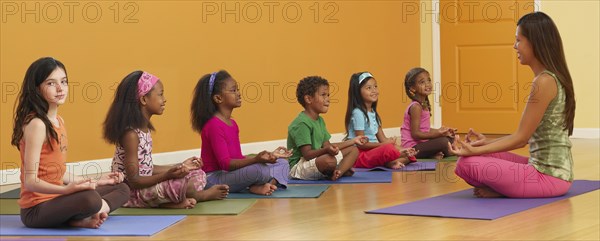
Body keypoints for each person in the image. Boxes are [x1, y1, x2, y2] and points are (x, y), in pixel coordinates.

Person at [449, 12, 575, 198]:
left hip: (549, 177)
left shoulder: (544, 82)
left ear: (535, 42)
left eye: (518, 40)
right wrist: (487, 143)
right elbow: (522, 135)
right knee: (475, 158)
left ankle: (504, 190)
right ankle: (504, 189)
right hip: (541, 169)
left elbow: (520, 139)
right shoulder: (549, 78)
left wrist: (475, 149)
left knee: (467, 164)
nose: (514, 46)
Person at [12, 57, 129, 228]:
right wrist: (66, 190)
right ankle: (86, 215)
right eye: (51, 83)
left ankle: (81, 218)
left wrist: (95, 181)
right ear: (36, 89)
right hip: (36, 210)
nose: (60, 88)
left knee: (121, 189)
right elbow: (30, 180)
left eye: (64, 82)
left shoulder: (59, 121)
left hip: (58, 200)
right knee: (91, 199)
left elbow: (59, 173)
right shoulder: (37, 124)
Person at [104, 71, 228, 208]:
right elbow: (134, 181)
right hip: (133, 193)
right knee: (182, 184)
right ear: (144, 99)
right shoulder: (131, 135)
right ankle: (199, 196)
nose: (164, 99)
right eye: (160, 94)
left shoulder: (143, 130)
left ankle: (170, 201)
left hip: (145, 185)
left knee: (197, 174)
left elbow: (147, 168)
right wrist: (167, 176)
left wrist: (180, 166)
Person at [191, 70, 291, 196]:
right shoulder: (213, 125)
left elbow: (238, 158)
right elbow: (226, 164)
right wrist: (256, 159)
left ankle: (264, 185)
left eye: (237, 89)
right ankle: (257, 185)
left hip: (230, 174)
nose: (239, 94)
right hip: (214, 178)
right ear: (218, 98)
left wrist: (270, 156)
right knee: (259, 169)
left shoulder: (233, 124)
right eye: (233, 90)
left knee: (282, 163)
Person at [288, 75, 363, 181]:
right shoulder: (301, 123)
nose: (328, 99)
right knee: (329, 161)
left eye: (328, 95)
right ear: (308, 99)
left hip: (316, 160)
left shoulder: (320, 121)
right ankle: (334, 169)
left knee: (354, 150)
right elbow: (308, 155)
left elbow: (328, 146)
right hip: (300, 166)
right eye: (323, 95)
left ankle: (338, 172)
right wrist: (327, 150)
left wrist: (353, 141)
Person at [344, 71, 416, 169]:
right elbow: (361, 145)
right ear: (358, 92)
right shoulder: (358, 113)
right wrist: (384, 145)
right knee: (389, 149)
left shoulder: (373, 112)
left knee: (408, 155)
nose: (374, 90)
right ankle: (389, 162)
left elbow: (383, 139)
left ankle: (390, 162)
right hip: (359, 154)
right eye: (369, 88)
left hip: (374, 150)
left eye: (375, 86)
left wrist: (404, 149)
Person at [401, 67, 456, 159]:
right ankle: (445, 151)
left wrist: (443, 131)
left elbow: (425, 129)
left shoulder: (423, 104)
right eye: (422, 82)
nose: (427, 84)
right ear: (412, 88)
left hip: (421, 144)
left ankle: (437, 152)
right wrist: (439, 134)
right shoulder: (416, 107)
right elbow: (416, 134)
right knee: (443, 142)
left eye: (429, 80)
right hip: (412, 148)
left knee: (450, 137)